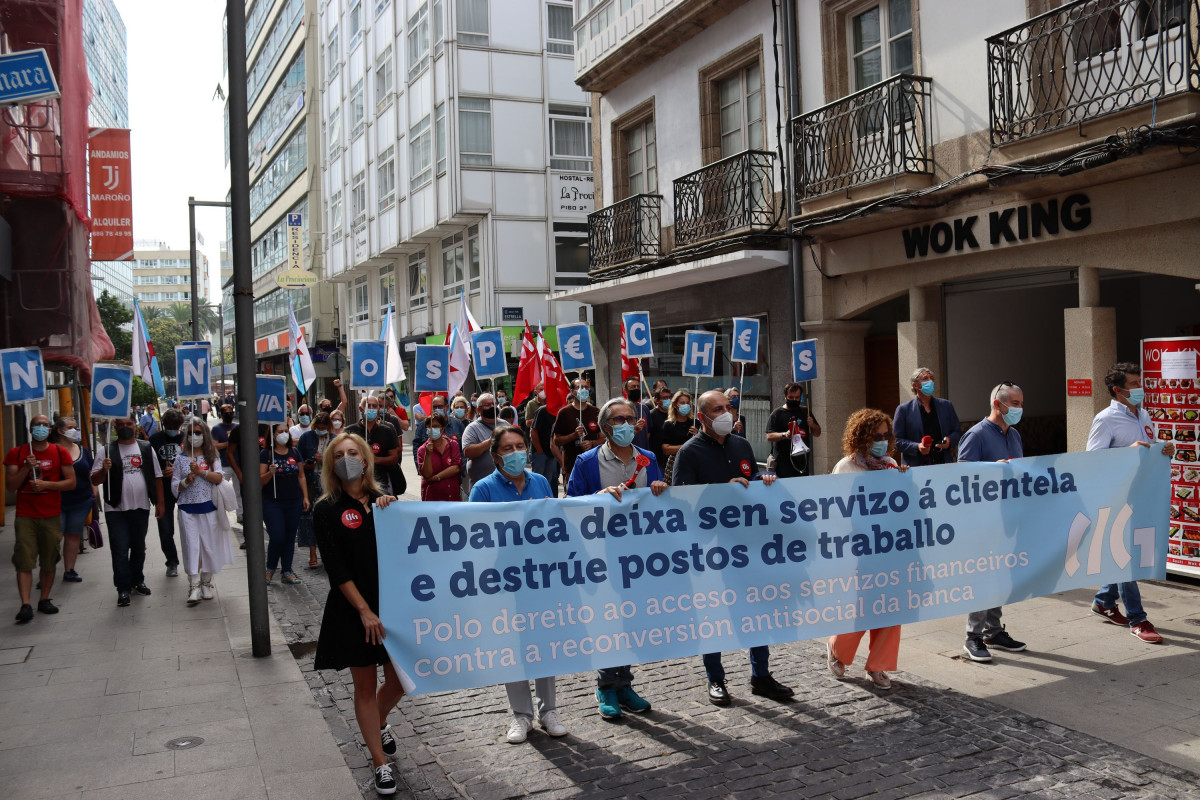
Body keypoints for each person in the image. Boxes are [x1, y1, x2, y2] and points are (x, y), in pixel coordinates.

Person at [672, 391, 793, 705]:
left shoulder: (741, 444)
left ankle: (761, 676)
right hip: (711, 549)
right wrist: (719, 494)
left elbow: (750, 478)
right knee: (714, 614)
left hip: (746, 546)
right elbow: (682, 505)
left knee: (757, 610)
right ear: (702, 417)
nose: (727, 413)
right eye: (718, 409)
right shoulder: (689, 452)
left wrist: (761, 478)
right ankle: (715, 678)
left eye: (728, 407)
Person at [312, 432, 404, 796]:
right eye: (339, 454)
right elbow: (336, 569)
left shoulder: (384, 502)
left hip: (394, 606)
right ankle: (380, 761)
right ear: (330, 463)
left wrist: (396, 510)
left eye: (353, 453)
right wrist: (365, 611)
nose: (347, 459)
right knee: (364, 687)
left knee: (400, 681)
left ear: (365, 460)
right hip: (355, 611)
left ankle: (377, 722)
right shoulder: (326, 508)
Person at [566, 398, 667, 718]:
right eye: (619, 419)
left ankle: (624, 684)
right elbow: (569, 505)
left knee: (629, 620)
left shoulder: (648, 458)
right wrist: (597, 498)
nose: (626, 424)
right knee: (607, 620)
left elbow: (661, 500)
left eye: (630, 418)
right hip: (601, 555)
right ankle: (606, 686)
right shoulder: (586, 462)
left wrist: (661, 489)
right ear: (606, 426)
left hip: (638, 555)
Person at [469, 426, 566, 743]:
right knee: (513, 647)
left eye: (520, 446)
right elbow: (472, 537)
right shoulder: (483, 489)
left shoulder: (540, 482)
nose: (515, 453)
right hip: (503, 581)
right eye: (507, 449)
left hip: (540, 579)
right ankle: (521, 715)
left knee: (544, 643)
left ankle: (548, 709)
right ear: (496, 456)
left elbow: (556, 525)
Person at [1087, 362, 1174, 644]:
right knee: (1124, 557)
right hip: (1116, 496)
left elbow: (1147, 446)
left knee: (1127, 553)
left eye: (1140, 382)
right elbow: (1093, 460)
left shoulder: (1144, 415)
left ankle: (1103, 600)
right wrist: (1128, 452)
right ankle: (1138, 619)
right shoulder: (1105, 419)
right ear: (1118, 390)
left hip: (1141, 495)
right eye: (1134, 384)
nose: (1140, 388)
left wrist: (1163, 448)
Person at [827, 409, 907, 690]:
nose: (883, 441)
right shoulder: (845, 468)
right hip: (859, 551)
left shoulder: (890, 466)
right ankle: (839, 651)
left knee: (891, 608)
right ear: (861, 437)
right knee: (860, 607)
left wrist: (904, 481)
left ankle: (879, 665)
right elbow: (835, 512)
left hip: (890, 549)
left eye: (886, 436)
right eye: (877, 436)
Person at [959, 382, 1028, 662]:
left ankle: (994, 630)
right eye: (1014, 403)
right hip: (982, 520)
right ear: (997, 405)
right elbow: (962, 476)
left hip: (1007, 518)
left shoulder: (1015, 435)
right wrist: (992, 470)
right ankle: (972, 636)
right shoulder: (975, 435)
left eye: (1022, 404)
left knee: (1001, 576)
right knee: (983, 576)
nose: (1019, 409)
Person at [5, 414, 76, 621]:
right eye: (38, 425)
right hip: (25, 515)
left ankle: (44, 598)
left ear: (51, 429)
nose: (41, 428)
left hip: (51, 514)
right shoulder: (16, 454)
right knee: (24, 560)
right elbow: (10, 486)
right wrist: (26, 468)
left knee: (49, 559)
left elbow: (70, 483)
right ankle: (25, 603)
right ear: (30, 428)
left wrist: (47, 485)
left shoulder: (60, 453)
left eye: (45, 425)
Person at [91, 414, 164, 607]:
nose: (125, 427)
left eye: (128, 424)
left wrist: (160, 503)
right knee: (120, 549)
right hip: (115, 509)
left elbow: (157, 477)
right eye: (121, 424)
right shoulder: (106, 451)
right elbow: (95, 480)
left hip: (140, 507)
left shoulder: (146, 448)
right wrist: (104, 470)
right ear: (114, 426)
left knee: (139, 547)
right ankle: (123, 589)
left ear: (136, 426)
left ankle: (137, 580)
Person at [172, 418, 234, 605]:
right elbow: (174, 484)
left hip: (209, 507)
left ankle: (206, 583)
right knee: (191, 546)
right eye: (190, 433)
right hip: (187, 509)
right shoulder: (180, 458)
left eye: (198, 432)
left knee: (208, 546)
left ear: (204, 434)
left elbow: (218, 478)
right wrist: (185, 482)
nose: (194, 436)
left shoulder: (211, 456)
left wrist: (201, 472)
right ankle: (194, 586)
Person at [261, 422, 309, 585]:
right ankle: (270, 569)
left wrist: (305, 497)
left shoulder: (294, 452)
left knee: (290, 537)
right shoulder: (266, 454)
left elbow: (301, 475)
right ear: (273, 435)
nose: (284, 434)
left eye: (286, 431)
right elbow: (260, 480)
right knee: (277, 536)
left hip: (293, 501)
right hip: (272, 502)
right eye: (280, 431)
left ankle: (287, 570)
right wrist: (270, 472)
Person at [52, 416, 94, 584]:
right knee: (55, 537)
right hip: (56, 501)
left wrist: (94, 494)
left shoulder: (82, 450)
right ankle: (47, 571)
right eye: (70, 427)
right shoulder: (52, 450)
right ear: (60, 430)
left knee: (73, 536)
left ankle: (69, 570)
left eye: (75, 427)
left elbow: (91, 473)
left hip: (81, 501)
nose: (74, 430)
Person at [893, 367, 961, 468]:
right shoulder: (904, 410)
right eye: (925, 379)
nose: (930, 381)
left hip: (943, 464)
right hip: (916, 467)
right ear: (915, 385)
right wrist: (917, 447)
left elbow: (957, 432)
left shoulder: (946, 406)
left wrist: (949, 440)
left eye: (931, 378)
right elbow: (896, 441)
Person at [148, 408, 185, 577]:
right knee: (165, 528)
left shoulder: (188, 438)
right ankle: (171, 561)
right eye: (169, 425)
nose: (172, 428)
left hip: (184, 487)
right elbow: (150, 464)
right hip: (163, 490)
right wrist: (161, 472)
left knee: (189, 526)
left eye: (175, 426)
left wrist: (177, 471)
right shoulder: (155, 440)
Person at [298, 412, 334, 569]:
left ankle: (328, 553)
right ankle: (312, 553)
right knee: (310, 518)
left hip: (330, 484)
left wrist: (324, 459)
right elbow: (299, 462)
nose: (321, 430)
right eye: (318, 427)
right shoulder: (306, 438)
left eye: (324, 428)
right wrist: (308, 464)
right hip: (312, 482)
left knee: (329, 520)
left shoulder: (334, 439)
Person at [347, 394, 403, 495]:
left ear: (378, 409)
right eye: (368, 405)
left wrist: (375, 459)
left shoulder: (387, 431)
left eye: (375, 406)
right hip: (356, 484)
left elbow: (394, 458)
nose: (371, 408)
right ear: (361, 408)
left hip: (382, 485)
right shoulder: (350, 431)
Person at [552, 378, 603, 485]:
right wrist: (574, 435)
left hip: (594, 464)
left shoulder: (596, 411)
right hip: (572, 466)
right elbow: (556, 441)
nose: (583, 390)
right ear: (572, 391)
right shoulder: (564, 413)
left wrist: (592, 443)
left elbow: (604, 438)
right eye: (579, 387)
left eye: (586, 387)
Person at [765, 382, 822, 478]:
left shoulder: (805, 412)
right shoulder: (777, 413)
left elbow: (818, 433)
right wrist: (784, 435)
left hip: (802, 463)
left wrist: (812, 425)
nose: (794, 400)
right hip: (783, 463)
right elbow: (769, 436)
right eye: (791, 398)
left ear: (801, 397)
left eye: (797, 398)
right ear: (785, 396)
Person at [461, 392, 501, 494]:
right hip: (481, 485)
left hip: (504, 482)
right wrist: (489, 442)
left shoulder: (505, 424)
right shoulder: (472, 428)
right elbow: (468, 452)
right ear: (478, 410)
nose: (492, 406)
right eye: (487, 405)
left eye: (493, 404)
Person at [417, 412, 463, 501]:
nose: (432, 429)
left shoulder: (452, 444)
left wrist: (436, 478)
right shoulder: (422, 450)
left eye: (436, 426)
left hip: (452, 496)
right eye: (429, 426)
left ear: (442, 428)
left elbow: (456, 468)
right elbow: (427, 475)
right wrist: (428, 454)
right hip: (432, 497)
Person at [212, 404, 243, 525]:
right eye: (226, 413)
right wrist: (230, 443)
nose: (229, 414)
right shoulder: (217, 429)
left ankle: (240, 514)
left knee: (238, 491)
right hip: (223, 464)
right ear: (221, 414)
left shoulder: (237, 427)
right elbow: (214, 445)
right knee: (220, 491)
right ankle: (220, 514)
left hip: (237, 463)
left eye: (231, 412)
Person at [657, 390, 697, 480]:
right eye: (682, 403)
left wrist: (698, 436)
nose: (685, 405)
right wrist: (687, 446)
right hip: (675, 463)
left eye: (687, 403)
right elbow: (666, 449)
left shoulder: (695, 423)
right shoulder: (669, 425)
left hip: (693, 462)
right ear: (675, 405)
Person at [530, 396, 561, 497]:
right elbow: (533, 431)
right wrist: (540, 451)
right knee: (537, 480)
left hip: (552, 453)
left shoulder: (560, 412)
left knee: (548, 481)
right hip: (540, 454)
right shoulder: (543, 410)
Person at [646, 384, 673, 469]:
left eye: (669, 397)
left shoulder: (674, 415)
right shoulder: (651, 415)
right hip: (656, 460)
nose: (668, 400)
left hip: (671, 459)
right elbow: (647, 437)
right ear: (657, 400)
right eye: (664, 398)